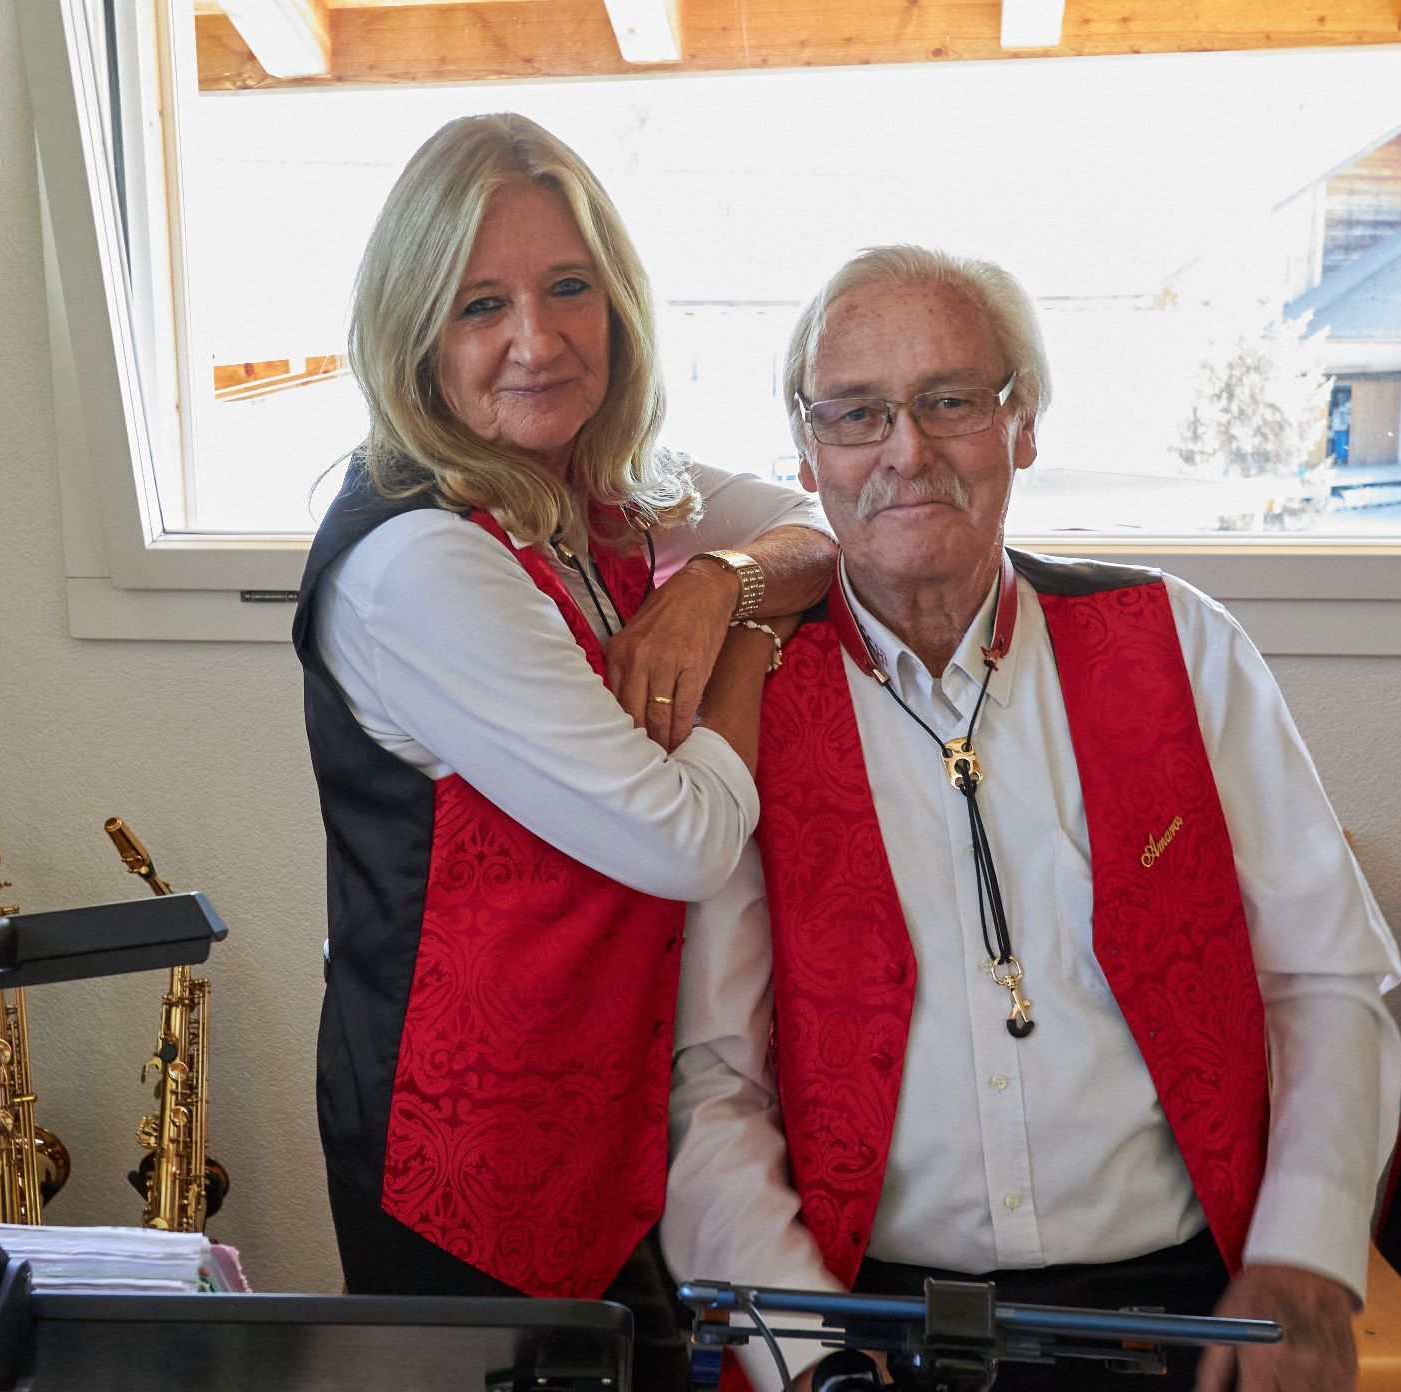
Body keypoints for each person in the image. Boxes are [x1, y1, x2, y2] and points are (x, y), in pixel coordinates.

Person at [661, 246, 1401, 1392]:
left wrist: (1303, 1259)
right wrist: (809, 1355)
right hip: (872, 1323)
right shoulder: (750, 701)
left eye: (950, 401)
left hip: (1186, 1309)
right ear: (806, 452)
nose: (906, 452)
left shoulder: (1179, 643)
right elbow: (716, 1084)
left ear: (1025, 423)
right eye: (857, 414)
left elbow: (1326, 980)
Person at [292, 113, 835, 1389]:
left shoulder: (602, 486)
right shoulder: (419, 562)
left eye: (570, 288)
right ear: (417, 335)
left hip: (609, 1127)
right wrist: (750, 638)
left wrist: (722, 584)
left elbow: (819, 529)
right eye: (482, 304)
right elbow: (684, 840)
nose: (536, 339)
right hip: (461, 1165)